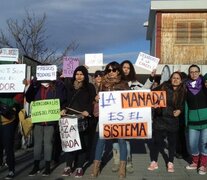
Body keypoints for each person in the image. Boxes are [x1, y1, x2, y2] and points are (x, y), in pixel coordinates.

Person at [111, 60, 155, 173]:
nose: (125, 69)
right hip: (115, 116)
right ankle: (116, 162)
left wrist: (151, 77)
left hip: (128, 117)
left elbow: (145, 91)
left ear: (131, 70)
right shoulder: (114, 82)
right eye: (124, 67)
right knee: (115, 140)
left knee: (126, 141)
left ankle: (128, 162)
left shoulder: (134, 83)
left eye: (128, 67)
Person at [91, 61, 129, 179]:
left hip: (119, 117)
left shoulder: (124, 84)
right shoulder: (102, 84)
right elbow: (96, 100)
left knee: (122, 141)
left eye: (113, 70)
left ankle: (122, 168)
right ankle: (96, 167)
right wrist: (96, 98)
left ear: (118, 71)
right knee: (101, 141)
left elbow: (129, 101)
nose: (111, 72)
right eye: (108, 70)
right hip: (105, 117)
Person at [25, 78, 67, 177]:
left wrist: (58, 83)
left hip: (50, 120)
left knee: (48, 143)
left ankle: (47, 166)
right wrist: (33, 85)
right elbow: (28, 98)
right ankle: (36, 166)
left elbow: (62, 99)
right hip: (38, 120)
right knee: (37, 143)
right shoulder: (36, 86)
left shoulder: (57, 86)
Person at [61, 65, 96, 178]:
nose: (79, 76)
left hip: (82, 119)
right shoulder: (69, 86)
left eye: (81, 74)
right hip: (69, 118)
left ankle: (80, 167)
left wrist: (87, 110)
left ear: (85, 75)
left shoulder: (89, 86)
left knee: (82, 144)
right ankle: (68, 166)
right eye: (77, 74)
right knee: (70, 143)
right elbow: (64, 100)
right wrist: (63, 109)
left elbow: (92, 101)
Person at [147, 71, 186, 173]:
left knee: (172, 143)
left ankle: (170, 162)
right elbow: (151, 93)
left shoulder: (183, 90)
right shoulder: (164, 86)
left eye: (178, 78)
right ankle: (154, 161)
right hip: (160, 119)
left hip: (173, 120)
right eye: (174, 77)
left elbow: (182, 105)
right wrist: (154, 103)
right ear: (170, 78)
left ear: (181, 80)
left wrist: (180, 110)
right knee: (157, 142)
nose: (175, 80)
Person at [185, 64, 207, 175]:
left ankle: (203, 165)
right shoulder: (186, 86)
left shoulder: (204, 84)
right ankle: (195, 162)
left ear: (199, 72)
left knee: (204, 143)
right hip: (192, 120)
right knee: (192, 143)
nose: (194, 73)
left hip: (206, 120)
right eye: (191, 72)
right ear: (189, 73)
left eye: (196, 71)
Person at [0, 93, 23, 179]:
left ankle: (11, 170)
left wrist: (13, 102)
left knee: (8, 146)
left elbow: (20, 94)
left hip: (8, 121)